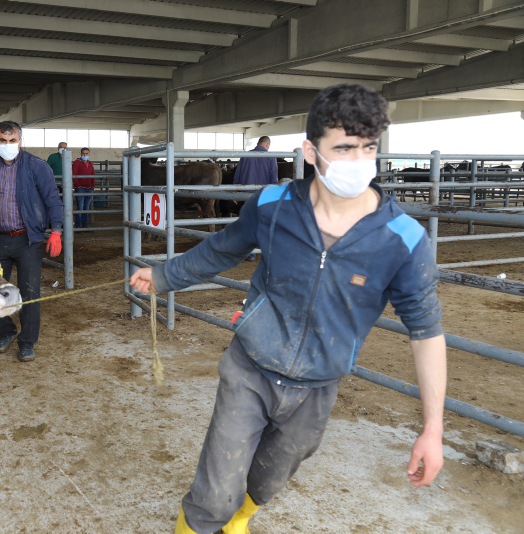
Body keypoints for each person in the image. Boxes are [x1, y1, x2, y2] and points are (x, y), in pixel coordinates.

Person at [129, 84, 447, 534]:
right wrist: (163, 276)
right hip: (251, 368)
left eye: (368, 148)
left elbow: (427, 331)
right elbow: (221, 250)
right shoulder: (273, 206)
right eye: (344, 148)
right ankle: (208, 521)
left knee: (267, 482)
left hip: (318, 385)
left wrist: (432, 428)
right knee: (215, 495)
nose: (359, 161)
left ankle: (239, 520)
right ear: (311, 151)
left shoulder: (402, 238)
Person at [0, 121, 64, 363]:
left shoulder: (36, 167)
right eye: (2, 140)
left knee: (29, 293)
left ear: (20, 140)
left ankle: (27, 341)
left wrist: (56, 231)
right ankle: (6, 331)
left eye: (12, 140)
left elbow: (53, 199)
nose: (7, 145)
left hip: (27, 239)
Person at [72, 147, 95, 229]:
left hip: (89, 188)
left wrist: (92, 186)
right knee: (80, 208)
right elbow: (74, 175)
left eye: (86, 153)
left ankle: (85, 225)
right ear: (81, 154)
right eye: (83, 153)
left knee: (86, 208)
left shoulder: (90, 164)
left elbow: (93, 175)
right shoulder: (77, 163)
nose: (85, 155)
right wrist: (78, 186)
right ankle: (78, 226)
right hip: (81, 188)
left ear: (89, 154)